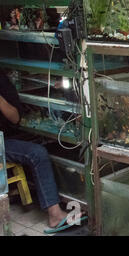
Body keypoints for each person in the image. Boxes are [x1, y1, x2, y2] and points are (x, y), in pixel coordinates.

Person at [0, 70, 84, 233]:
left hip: (2, 142)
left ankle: (55, 215)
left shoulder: (2, 81)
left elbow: (15, 118)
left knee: (37, 153)